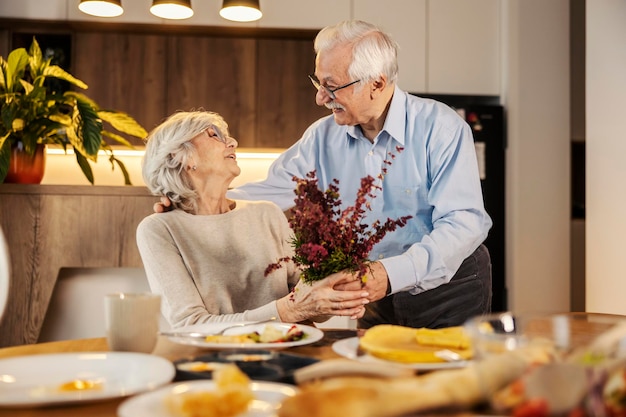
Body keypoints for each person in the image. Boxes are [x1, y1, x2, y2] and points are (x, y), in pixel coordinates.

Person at [156, 20, 493, 330]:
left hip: (449, 286)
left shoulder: (442, 128)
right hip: (371, 292)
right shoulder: (322, 137)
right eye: (318, 82)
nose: (320, 98)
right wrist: (191, 201)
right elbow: (272, 191)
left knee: (454, 383)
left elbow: (464, 223)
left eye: (332, 87)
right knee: (381, 380)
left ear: (376, 83)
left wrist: (390, 274)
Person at [137, 110, 370, 329]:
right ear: (181, 158)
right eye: (214, 135)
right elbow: (190, 325)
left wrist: (336, 291)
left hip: (291, 351)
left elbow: (312, 307)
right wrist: (286, 311)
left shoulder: (267, 214)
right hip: (218, 362)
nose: (232, 143)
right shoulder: (159, 230)